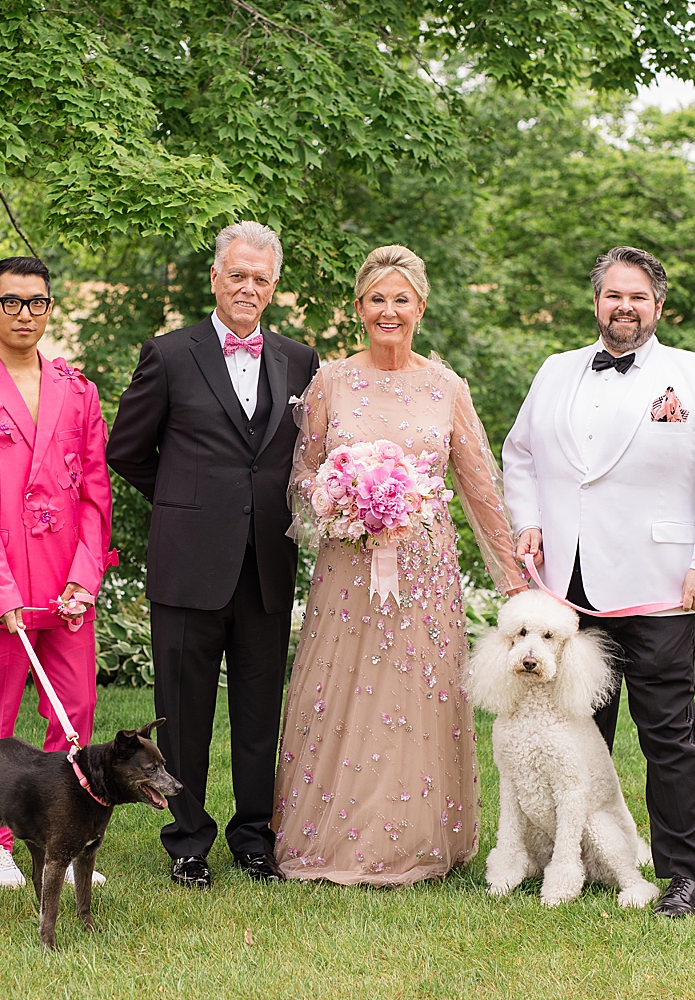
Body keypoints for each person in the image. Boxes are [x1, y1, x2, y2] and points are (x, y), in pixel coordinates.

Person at [502, 245, 695, 917]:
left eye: (638, 296)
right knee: (577, 731)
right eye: (614, 295)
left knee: (666, 731)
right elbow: (520, 452)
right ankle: (577, 857)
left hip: (662, 583)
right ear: (597, 302)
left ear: (658, 306)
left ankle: (681, 876)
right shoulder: (555, 372)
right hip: (569, 589)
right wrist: (527, 519)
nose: (625, 306)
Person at [271, 245, 528, 885]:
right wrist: (341, 496)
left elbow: (477, 486)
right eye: (377, 299)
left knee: (417, 694)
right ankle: (329, 837)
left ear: (421, 306)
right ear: (358, 308)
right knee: (344, 693)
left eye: (402, 299)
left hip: (425, 568)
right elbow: (301, 475)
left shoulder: (447, 387)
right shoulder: (329, 381)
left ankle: (418, 839)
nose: (390, 310)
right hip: (349, 565)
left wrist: (515, 576)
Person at [107, 221, 320, 889]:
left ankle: (255, 839)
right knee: (184, 715)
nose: (248, 287)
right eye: (238, 275)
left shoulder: (301, 360)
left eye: (260, 278)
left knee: (261, 716)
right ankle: (187, 842)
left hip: (266, 566)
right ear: (215, 279)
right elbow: (127, 451)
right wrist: (185, 503)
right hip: (188, 565)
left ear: (274, 285)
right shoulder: (169, 354)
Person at [0, 256, 115, 890]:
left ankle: (64, 831)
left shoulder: (79, 389)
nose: (24, 314)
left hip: (66, 585)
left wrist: (85, 579)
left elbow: (95, 491)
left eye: (36, 302)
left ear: (50, 308)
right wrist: (0, 590)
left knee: (76, 711)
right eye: (11, 302)